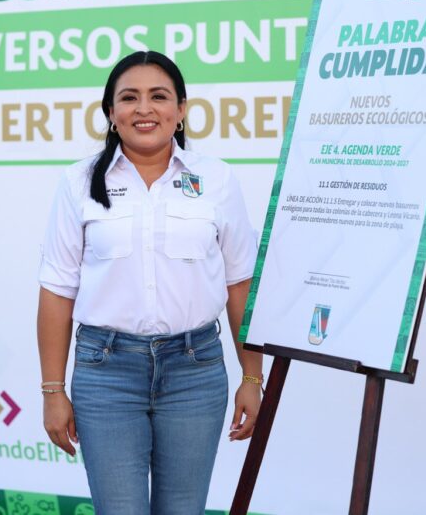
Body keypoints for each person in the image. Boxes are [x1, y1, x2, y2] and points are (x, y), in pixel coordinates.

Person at [36, 50, 263, 514]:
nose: (144, 109)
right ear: (110, 112)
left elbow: (240, 283)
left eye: (159, 96)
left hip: (195, 371)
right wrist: (52, 391)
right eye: (129, 98)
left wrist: (252, 377)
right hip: (106, 373)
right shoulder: (78, 182)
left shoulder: (216, 179)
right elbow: (57, 291)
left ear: (181, 110)